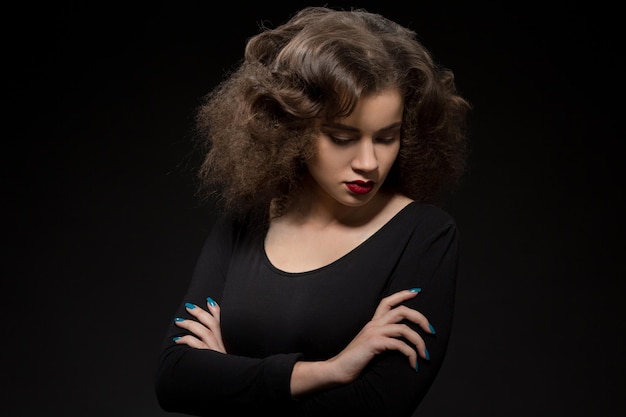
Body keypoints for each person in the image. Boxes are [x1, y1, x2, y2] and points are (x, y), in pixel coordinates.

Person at [154, 6, 471, 417]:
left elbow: (374, 405)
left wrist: (227, 375)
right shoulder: (247, 221)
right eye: (343, 137)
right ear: (294, 127)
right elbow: (174, 379)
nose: (369, 162)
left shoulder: (425, 235)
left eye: (387, 137)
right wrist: (329, 371)